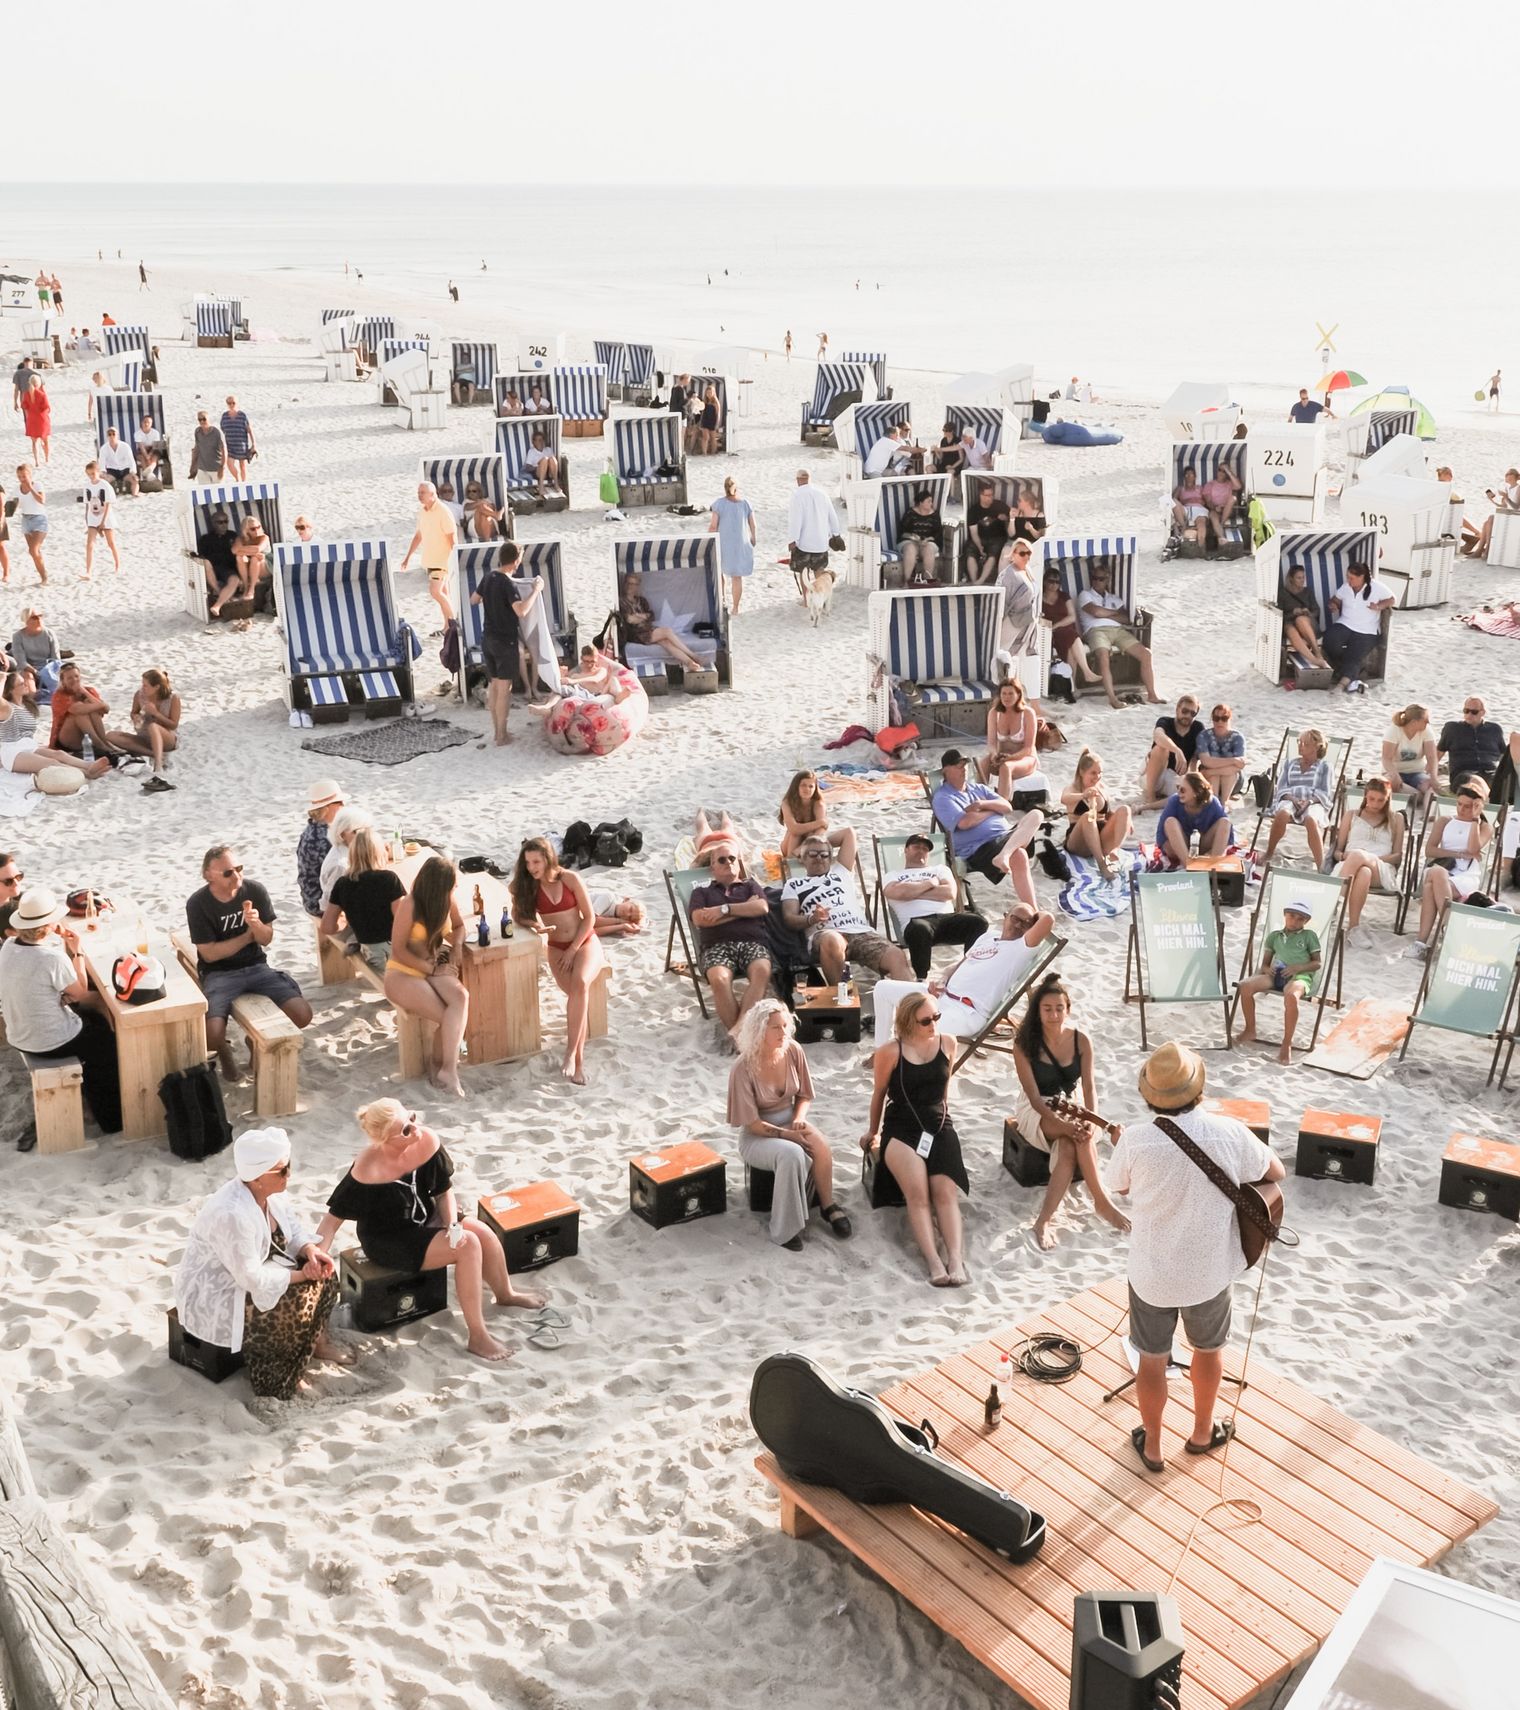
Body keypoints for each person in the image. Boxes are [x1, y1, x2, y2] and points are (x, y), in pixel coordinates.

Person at [1105, 1042, 1284, 1473]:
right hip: (1209, 1269)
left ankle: (1153, 1446)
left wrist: (1123, 1145)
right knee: (1208, 1350)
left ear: (1150, 1094)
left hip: (1152, 1273)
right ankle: (1203, 1432)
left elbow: (1119, 1187)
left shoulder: (1136, 1139)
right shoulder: (1230, 1132)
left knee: (1151, 1359)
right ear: (1197, 1088)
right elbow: (1275, 1172)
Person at [315, 1100, 546, 1364]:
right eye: (405, 1130)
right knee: (468, 1245)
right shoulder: (368, 1168)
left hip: (427, 1215)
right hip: (391, 1239)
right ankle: (478, 1336)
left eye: (412, 1118)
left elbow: (444, 1191)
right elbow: (331, 1221)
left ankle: (505, 1294)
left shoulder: (426, 1140)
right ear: (384, 1140)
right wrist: (316, 1253)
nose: (416, 1129)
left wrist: (452, 1224)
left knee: (481, 1232)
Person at [174, 1128, 346, 1399]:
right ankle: (281, 1376)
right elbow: (250, 1278)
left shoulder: (271, 1193)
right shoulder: (232, 1214)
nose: (288, 1174)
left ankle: (318, 1344)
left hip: (262, 1268)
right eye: (282, 1170)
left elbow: (293, 1231)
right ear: (256, 1178)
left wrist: (311, 1251)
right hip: (222, 1291)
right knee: (291, 1303)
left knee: (327, 1275)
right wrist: (302, 1275)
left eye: (288, 1166)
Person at [1011, 972, 1129, 1249]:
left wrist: (1090, 1118)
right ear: (1037, 1011)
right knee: (1072, 1134)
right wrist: (1062, 1124)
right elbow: (1033, 1097)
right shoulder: (1024, 1044)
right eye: (1047, 1009)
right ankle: (1101, 1201)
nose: (1054, 1015)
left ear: (1068, 1009)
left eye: (1059, 1008)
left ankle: (1044, 1220)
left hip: (1070, 1102)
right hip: (1036, 1106)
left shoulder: (1081, 1040)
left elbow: (1089, 1087)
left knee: (1071, 1143)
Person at [862, 989, 969, 1286]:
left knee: (945, 1192)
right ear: (908, 1022)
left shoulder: (948, 1043)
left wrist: (945, 1123)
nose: (933, 1024)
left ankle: (955, 1259)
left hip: (937, 1122)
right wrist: (873, 1131)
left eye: (936, 1017)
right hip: (901, 1126)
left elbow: (944, 1092)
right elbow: (879, 1094)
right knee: (918, 1194)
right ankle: (934, 1261)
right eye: (926, 1021)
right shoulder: (890, 1051)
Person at [187, 845, 314, 1082]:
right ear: (208, 875)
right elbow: (210, 954)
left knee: (302, 1015)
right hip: (219, 973)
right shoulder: (198, 903)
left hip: (256, 967)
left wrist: (256, 925)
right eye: (228, 872)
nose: (236, 876)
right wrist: (247, 936)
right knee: (211, 1037)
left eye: (239, 868)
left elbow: (266, 939)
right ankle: (225, 1053)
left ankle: (253, 1041)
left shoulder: (254, 891)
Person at [728, 1001, 848, 1250]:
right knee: (792, 1154)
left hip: (790, 1121)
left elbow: (804, 1095)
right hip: (757, 1136)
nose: (783, 1033)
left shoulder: (793, 1050)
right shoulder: (742, 1068)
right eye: (775, 1028)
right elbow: (752, 1125)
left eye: (785, 1026)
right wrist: (787, 1135)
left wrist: (799, 1119)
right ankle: (784, 1230)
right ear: (759, 1030)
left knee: (820, 1145)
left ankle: (828, 1206)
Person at [0, 888, 122, 1132]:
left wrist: (60, 994)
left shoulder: (9, 947)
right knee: (106, 1044)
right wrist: (76, 950)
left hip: (19, 1036)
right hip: (50, 1042)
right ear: (49, 925)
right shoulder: (51, 958)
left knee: (94, 1019)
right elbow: (80, 992)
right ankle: (112, 1120)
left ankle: (90, 1094)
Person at [512, 837, 605, 1084]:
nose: (531, 867)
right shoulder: (529, 886)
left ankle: (574, 1057)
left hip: (584, 942)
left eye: (536, 861)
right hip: (556, 947)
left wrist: (573, 949)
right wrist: (535, 925)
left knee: (580, 984)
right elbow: (518, 915)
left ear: (548, 858)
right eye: (527, 862)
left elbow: (589, 918)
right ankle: (575, 1059)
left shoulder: (570, 879)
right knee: (577, 995)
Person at [383, 855, 469, 1096]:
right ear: (437, 885)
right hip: (404, 971)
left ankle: (447, 1069)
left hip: (433, 964)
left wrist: (457, 947)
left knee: (461, 998)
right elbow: (398, 950)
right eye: (451, 885)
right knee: (446, 1016)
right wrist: (430, 969)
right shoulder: (410, 904)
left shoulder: (446, 899)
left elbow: (459, 926)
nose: (454, 889)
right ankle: (440, 1066)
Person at [781, 830, 910, 985]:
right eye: (812, 854)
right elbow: (789, 918)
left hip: (861, 932)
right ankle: (841, 995)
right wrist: (811, 919)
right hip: (826, 934)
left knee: (897, 956)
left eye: (824, 854)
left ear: (830, 858)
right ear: (802, 859)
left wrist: (818, 843)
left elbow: (848, 833)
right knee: (832, 940)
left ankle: (910, 998)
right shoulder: (794, 884)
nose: (819, 858)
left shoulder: (841, 871)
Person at [931, 749, 1040, 904]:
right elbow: (965, 822)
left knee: (1036, 815)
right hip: (979, 848)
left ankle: (1004, 855)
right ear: (945, 771)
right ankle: (1032, 908)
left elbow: (1007, 806)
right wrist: (993, 810)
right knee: (1020, 854)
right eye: (958, 766)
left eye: (965, 765)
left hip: (1004, 837)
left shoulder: (978, 789)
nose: (964, 769)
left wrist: (982, 804)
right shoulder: (943, 798)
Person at [1405, 777, 1494, 959]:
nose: (1461, 809)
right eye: (1459, 804)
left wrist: (1475, 820)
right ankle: (1448, 929)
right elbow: (1430, 850)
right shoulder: (1445, 821)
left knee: (1431, 885)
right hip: (1444, 869)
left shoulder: (1484, 827)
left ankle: (1421, 943)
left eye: (1467, 806)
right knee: (1436, 873)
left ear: (1477, 806)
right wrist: (1458, 854)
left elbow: (1473, 849)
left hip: (1466, 875)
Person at [690, 845, 773, 1036]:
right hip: (716, 946)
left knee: (761, 971)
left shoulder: (750, 886)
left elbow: (761, 907)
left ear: (738, 863)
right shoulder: (701, 893)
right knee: (719, 979)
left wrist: (723, 910)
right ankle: (742, 1037)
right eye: (722, 860)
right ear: (712, 867)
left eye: (732, 858)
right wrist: (744, 909)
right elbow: (700, 919)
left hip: (752, 943)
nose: (728, 862)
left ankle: (738, 1033)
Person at [879, 831, 984, 980]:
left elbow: (949, 893)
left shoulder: (940, 869)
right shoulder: (892, 875)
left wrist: (911, 892)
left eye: (925, 849)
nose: (921, 850)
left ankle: (968, 969)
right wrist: (930, 883)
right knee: (919, 928)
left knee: (978, 922)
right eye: (916, 847)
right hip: (916, 922)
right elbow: (895, 892)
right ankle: (921, 978)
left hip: (946, 920)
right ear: (906, 850)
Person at [470, 541, 545, 747]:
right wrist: (536, 591)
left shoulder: (488, 577)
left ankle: (497, 732)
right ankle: (502, 736)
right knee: (504, 690)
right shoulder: (507, 583)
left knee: (494, 686)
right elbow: (521, 611)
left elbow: (474, 599)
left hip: (488, 639)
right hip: (505, 641)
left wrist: (491, 600)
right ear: (516, 561)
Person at [1237, 898, 1323, 1062]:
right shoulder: (1274, 936)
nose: (1295, 921)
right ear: (1285, 915)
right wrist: (1267, 969)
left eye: (1300, 919)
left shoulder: (1309, 936)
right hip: (1276, 975)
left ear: (1306, 921)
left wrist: (1297, 968)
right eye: (1291, 916)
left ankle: (1286, 1043)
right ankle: (1250, 1029)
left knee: (1291, 996)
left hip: (1300, 975)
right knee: (1245, 986)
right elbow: (1265, 964)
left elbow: (1317, 963)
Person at [1331, 776, 1404, 947]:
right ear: (1365, 795)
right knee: (1364, 872)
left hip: (1382, 868)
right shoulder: (1351, 815)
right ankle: (1353, 928)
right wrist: (1345, 856)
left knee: (1360, 856)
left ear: (1388, 799)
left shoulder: (1396, 819)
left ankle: (1333, 900)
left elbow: (1397, 856)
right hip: (1349, 866)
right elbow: (1337, 851)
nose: (1375, 804)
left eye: (1381, 800)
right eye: (1372, 798)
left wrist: (1370, 858)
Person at [1078, 560, 1162, 708]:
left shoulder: (1114, 598)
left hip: (1118, 630)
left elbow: (1125, 618)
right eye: (1094, 578)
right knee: (1103, 656)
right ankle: (1112, 698)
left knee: (1146, 654)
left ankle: (1152, 695)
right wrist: (1114, 613)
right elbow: (1096, 612)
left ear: (1107, 580)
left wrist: (1106, 614)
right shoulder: (1085, 595)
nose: (1096, 581)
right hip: (1096, 630)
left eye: (1101, 579)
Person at [0, 668, 107, 782]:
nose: (26, 684)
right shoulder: (7, 708)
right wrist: (2, 679)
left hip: (30, 746)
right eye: (21, 684)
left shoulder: (25, 706)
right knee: (51, 763)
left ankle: (88, 765)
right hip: (13, 752)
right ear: (11, 690)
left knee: (59, 754)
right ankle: (86, 773)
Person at [321, 827, 403, 973]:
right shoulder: (389, 879)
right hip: (393, 952)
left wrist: (349, 922)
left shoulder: (343, 883)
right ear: (378, 852)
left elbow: (327, 927)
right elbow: (402, 920)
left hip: (370, 952)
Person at [1262, 728, 1333, 868]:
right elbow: (1281, 787)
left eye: (1305, 743)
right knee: (1282, 813)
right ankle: (1269, 853)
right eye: (1299, 742)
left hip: (1314, 802)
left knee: (1311, 819)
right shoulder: (1289, 764)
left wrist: (1309, 801)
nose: (1300, 746)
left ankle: (1321, 865)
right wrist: (1293, 799)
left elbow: (1325, 792)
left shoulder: (1325, 767)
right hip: (1290, 799)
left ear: (1316, 747)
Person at [1324, 560, 1395, 694]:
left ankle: (1341, 685)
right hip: (1345, 623)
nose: (1348, 580)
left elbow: (1392, 599)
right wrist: (1334, 605)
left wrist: (1378, 606)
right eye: (1348, 577)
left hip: (1367, 630)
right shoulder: (1346, 587)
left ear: (1361, 577)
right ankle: (1350, 668)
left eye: (1351, 578)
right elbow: (1336, 599)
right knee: (1329, 640)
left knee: (1354, 656)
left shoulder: (1376, 587)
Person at [106, 668, 180, 792]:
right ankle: (154, 754)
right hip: (145, 737)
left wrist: (156, 713)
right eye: (142, 684)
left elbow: (173, 725)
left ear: (156, 687)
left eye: (146, 685)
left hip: (167, 739)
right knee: (111, 735)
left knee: (153, 726)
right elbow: (133, 712)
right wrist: (135, 717)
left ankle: (158, 767)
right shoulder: (139, 695)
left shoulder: (173, 698)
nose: (143, 688)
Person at [619, 570, 707, 673]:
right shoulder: (622, 602)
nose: (630, 586)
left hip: (647, 630)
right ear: (624, 584)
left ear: (638, 586)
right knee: (667, 631)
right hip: (636, 634)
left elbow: (651, 616)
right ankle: (693, 655)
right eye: (629, 583)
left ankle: (689, 663)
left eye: (634, 584)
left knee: (666, 642)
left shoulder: (641, 601)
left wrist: (639, 616)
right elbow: (629, 620)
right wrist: (643, 616)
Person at [1061, 749, 1132, 874]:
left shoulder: (1102, 788)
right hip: (1079, 841)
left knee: (1125, 809)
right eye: (1093, 773)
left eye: (1100, 773)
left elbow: (1109, 814)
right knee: (1088, 817)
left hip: (1100, 838)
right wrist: (1083, 795)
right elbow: (1064, 799)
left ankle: (1115, 850)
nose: (1097, 777)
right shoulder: (1072, 788)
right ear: (1082, 772)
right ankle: (1101, 863)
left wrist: (1126, 820)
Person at [400, 481, 457, 627]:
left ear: (432, 494)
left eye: (422, 493)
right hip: (431, 559)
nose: (419, 496)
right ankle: (447, 627)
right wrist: (407, 558)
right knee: (443, 593)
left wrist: (454, 559)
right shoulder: (422, 511)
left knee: (435, 591)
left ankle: (454, 624)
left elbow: (452, 537)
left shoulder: (443, 511)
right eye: (418, 493)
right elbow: (418, 536)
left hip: (442, 560)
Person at [1157, 771, 1232, 865]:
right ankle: (1188, 864)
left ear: (1196, 792)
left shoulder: (1212, 803)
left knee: (1225, 822)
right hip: (1180, 846)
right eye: (1177, 788)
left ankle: (1213, 863)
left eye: (1183, 790)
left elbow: (1228, 835)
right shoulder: (1174, 801)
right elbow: (1160, 836)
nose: (1179, 793)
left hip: (1202, 844)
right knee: (1170, 822)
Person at [1437, 696, 1512, 789]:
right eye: (1466, 711)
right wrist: (1429, 775)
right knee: (1476, 781)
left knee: (1503, 781)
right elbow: (1438, 753)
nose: (1469, 715)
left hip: (1490, 773)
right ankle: (1489, 795)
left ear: (1483, 712)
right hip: (1463, 775)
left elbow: (1504, 756)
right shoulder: (1452, 728)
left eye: (1474, 712)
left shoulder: (1494, 729)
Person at [48, 662, 120, 760]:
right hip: (67, 738)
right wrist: (100, 704)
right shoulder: (59, 695)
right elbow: (77, 710)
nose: (74, 680)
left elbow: (105, 710)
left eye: (76, 676)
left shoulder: (89, 690)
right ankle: (99, 744)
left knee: (91, 707)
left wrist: (85, 692)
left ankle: (104, 743)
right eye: (69, 678)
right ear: (63, 681)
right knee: (80, 710)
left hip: (86, 736)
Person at [982, 677, 1038, 800]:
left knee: (1006, 767)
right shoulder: (994, 713)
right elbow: (991, 743)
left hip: (1025, 759)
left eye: (1011, 694)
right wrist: (994, 754)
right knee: (983, 763)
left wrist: (1011, 758)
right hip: (1002, 756)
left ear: (1018, 695)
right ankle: (980, 798)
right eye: (1004, 694)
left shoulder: (1028, 714)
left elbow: (1028, 748)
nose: (1007, 697)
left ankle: (1002, 803)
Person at [1041, 566, 1096, 691]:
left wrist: (1056, 625)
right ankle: (1083, 676)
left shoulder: (1064, 596)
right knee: (1071, 639)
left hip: (1064, 629)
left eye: (1057, 582)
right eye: (1051, 581)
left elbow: (1072, 617)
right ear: (1044, 581)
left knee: (1071, 646)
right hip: (1051, 633)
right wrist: (1051, 627)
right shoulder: (1040, 599)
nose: (1054, 585)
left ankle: (1073, 685)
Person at [786, 469, 840, 595]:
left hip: (804, 543)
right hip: (821, 542)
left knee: (804, 573)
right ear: (809, 479)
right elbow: (832, 516)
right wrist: (836, 534)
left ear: (798, 480)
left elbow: (795, 520)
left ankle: (806, 601)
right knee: (819, 572)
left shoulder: (797, 495)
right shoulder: (822, 493)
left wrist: (793, 540)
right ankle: (821, 597)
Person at [297, 779, 345, 918]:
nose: (343, 805)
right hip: (320, 902)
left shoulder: (313, 828)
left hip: (311, 897)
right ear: (326, 808)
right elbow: (342, 869)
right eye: (339, 802)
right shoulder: (323, 838)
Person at [707, 475, 756, 615]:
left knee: (720, 572)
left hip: (723, 543)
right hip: (741, 544)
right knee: (737, 576)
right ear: (737, 488)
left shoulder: (719, 504)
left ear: (724, 488)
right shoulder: (745, 503)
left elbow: (713, 526)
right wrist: (753, 538)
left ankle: (722, 601)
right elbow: (753, 524)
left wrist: (708, 539)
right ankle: (735, 607)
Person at [1142, 695, 1201, 805]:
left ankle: (1154, 805)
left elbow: (1195, 759)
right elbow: (1158, 736)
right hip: (1153, 777)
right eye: (1185, 711)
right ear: (1177, 709)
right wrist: (1177, 750)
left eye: (1192, 713)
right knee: (1161, 749)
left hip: (1175, 778)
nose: (1188, 716)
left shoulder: (1197, 728)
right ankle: (1150, 797)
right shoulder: (1165, 722)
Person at [191, 508, 243, 620]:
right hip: (212, 568)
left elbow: (240, 551)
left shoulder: (232, 536)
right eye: (220, 522)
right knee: (206, 562)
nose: (224, 525)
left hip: (228, 568)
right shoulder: (205, 539)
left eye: (226, 521)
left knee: (235, 580)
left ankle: (217, 605)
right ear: (213, 524)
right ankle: (221, 594)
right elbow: (201, 556)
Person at [778, 769, 844, 858]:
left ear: (815, 788)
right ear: (796, 786)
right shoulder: (787, 803)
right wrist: (819, 822)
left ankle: (798, 858)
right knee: (795, 835)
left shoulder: (818, 804)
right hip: (789, 843)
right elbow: (794, 829)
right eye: (803, 785)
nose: (807, 789)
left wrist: (804, 846)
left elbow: (821, 830)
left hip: (810, 844)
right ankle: (791, 861)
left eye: (811, 786)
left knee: (813, 835)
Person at [997, 539, 1042, 666]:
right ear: (1013, 554)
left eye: (1029, 553)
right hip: (1011, 622)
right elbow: (1001, 603)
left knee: (1021, 660)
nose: (1026, 556)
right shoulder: (1008, 575)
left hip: (1028, 622)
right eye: (1022, 553)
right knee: (1003, 656)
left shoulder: (1028, 570)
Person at [1276, 564, 1330, 669]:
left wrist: (1308, 613)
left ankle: (1317, 652)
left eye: (1303, 577)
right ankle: (1314, 660)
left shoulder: (1307, 592)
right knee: (1289, 628)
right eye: (1299, 578)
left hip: (1309, 625)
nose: (1302, 580)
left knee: (1300, 619)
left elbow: (1317, 611)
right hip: (1290, 623)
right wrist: (1293, 612)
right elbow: (1279, 615)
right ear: (1291, 579)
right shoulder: (1283, 593)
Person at [1462, 466, 1520, 560]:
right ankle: (1480, 549)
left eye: (1510, 474)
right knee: (1486, 523)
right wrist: (1492, 500)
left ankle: (1487, 549)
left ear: (1515, 476)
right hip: (1508, 515)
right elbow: (1504, 506)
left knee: (1491, 518)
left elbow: (1516, 507)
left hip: (1515, 518)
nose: (1507, 476)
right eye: (1506, 474)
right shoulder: (1508, 489)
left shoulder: (1518, 488)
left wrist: (1506, 497)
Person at [1194, 704, 1247, 802]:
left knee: (1228, 774)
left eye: (1224, 718)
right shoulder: (1204, 736)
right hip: (1208, 779)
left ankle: (1224, 803)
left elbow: (1239, 766)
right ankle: (1214, 802)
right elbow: (1206, 761)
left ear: (1230, 719)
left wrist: (1211, 771)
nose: (1220, 722)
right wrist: (1233, 760)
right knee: (1213, 774)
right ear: (1212, 719)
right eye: (1216, 718)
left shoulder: (1238, 738)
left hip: (1233, 781)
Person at [1383, 703, 1437, 797]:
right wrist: (1394, 775)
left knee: (1429, 787)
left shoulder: (1426, 731)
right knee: (1392, 784)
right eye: (1425, 720)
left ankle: (1420, 801)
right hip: (1396, 771)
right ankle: (1413, 796)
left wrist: (1433, 778)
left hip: (1417, 772)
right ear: (1414, 722)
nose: (1428, 722)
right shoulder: (1394, 730)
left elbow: (1431, 757)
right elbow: (1386, 758)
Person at [80, 459, 120, 580]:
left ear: (98, 472)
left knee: (111, 543)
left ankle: (117, 565)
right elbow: (87, 505)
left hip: (106, 518)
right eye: (89, 474)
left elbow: (108, 504)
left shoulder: (105, 485)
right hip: (92, 518)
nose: (91, 476)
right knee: (89, 544)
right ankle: (88, 571)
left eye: (93, 473)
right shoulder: (87, 486)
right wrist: (87, 522)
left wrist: (103, 522)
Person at [966, 481, 1011, 584]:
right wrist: (979, 547)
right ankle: (973, 581)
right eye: (987, 495)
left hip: (997, 538)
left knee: (993, 554)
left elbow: (1013, 517)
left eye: (991, 495)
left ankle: (980, 582)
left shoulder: (1000, 505)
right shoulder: (974, 510)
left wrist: (1006, 518)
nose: (990, 498)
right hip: (980, 538)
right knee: (970, 552)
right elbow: (974, 533)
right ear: (981, 496)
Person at [13, 464, 48, 584]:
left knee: (33, 550)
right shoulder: (17, 489)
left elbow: (42, 500)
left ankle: (44, 577)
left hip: (39, 519)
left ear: (30, 475)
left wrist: (30, 488)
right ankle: (43, 576)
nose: (22, 479)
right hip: (26, 520)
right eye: (19, 476)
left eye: (24, 476)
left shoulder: (37, 485)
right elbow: (14, 505)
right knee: (34, 552)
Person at [9, 606, 59, 681]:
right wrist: (36, 672)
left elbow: (55, 659)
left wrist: (48, 671)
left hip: (47, 667)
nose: (39, 619)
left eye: (40, 616)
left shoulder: (49, 633)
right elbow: (21, 662)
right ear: (26, 620)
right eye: (34, 617)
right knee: (29, 676)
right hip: (28, 668)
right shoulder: (18, 636)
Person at [1171, 464, 1214, 547]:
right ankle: (1184, 526)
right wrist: (1185, 501)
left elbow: (1207, 500)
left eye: (1191, 474)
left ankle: (1201, 546)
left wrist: (1204, 503)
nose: (1189, 477)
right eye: (1186, 474)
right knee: (1173, 501)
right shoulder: (1180, 488)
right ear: (1184, 477)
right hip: (1185, 509)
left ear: (1195, 477)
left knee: (1201, 523)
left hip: (1199, 509)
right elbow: (1173, 501)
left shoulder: (1200, 488)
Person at [232, 515, 270, 606]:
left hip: (266, 565)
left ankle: (251, 590)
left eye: (258, 527)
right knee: (239, 557)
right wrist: (253, 553)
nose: (257, 530)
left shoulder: (264, 537)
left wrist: (242, 550)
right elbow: (234, 550)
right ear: (246, 530)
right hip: (251, 567)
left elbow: (258, 549)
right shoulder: (241, 539)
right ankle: (246, 587)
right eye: (253, 529)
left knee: (254, 558)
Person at [220, 395, 255, 481]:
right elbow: (222, 429)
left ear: (236, 403)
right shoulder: (224, 416)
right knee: (229, 464)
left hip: (241, 445)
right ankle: (237, 479)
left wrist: (254, 444)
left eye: (233, 403)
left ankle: (244, 483)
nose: (231, 405)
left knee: (242, 466)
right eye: (229, 403)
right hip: (230, 446)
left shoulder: (242, 415)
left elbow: (249, 430)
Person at [98, 426, 139, 497]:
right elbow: (102, 462)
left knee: (134, 480)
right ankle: (102, 496)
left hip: (125, 469)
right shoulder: (103, 448)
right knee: (103, 481)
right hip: (112, 470)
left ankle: (135, 494)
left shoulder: (125, 446)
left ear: (117, 435)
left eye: (114, 434)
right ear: (107, 436)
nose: (112, 436)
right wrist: (103, 472)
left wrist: (133, 472)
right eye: (109, 434)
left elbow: (131, 460)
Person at [19, 375, 51, 466]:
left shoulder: (26, 394)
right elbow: (47, 408)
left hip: (32, 420)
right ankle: (47, 459)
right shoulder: (42, 395)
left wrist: (29, 414)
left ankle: (37, 461)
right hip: (42, 420)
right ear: (39, 383)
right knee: (46, 441)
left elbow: (24, 406)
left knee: (34, 442)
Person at [189, 411, 227, 483]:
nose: (202, 421)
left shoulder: (216, 432)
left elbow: (224, 450)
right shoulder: (197, 431)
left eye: (204, 419)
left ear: (208, 419)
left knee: (218, 489)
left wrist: (222, 467)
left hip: (216, 469)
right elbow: (196, 449)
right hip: (202, 469)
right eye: (200, 419)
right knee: (204, 489)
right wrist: (193, 466)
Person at [524, 430, 561, 500]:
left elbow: (554, 463)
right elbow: (527, 467)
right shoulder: (532, 451)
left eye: (542, 440)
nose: (540, 442)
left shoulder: (548, 449)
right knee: (544, 459)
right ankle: (541, 486)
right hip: (538, 473)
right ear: (534, 442)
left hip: (549, 473)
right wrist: (538, 466)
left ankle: (556, 484)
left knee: (552, 458)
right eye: (538, 440)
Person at [698, 384, 722, 456]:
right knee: (705, 437)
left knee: (713, 438)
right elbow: (702, 413)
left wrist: (717, 424)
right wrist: (700, 422)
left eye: (710, 392)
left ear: (713, 393)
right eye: (707, 392)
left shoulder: (716, 402)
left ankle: (713, 452)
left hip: (713, 421)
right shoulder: (704, 401)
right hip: (705, 420)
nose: (709, 394)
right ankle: (704, 453)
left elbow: (718, 414)